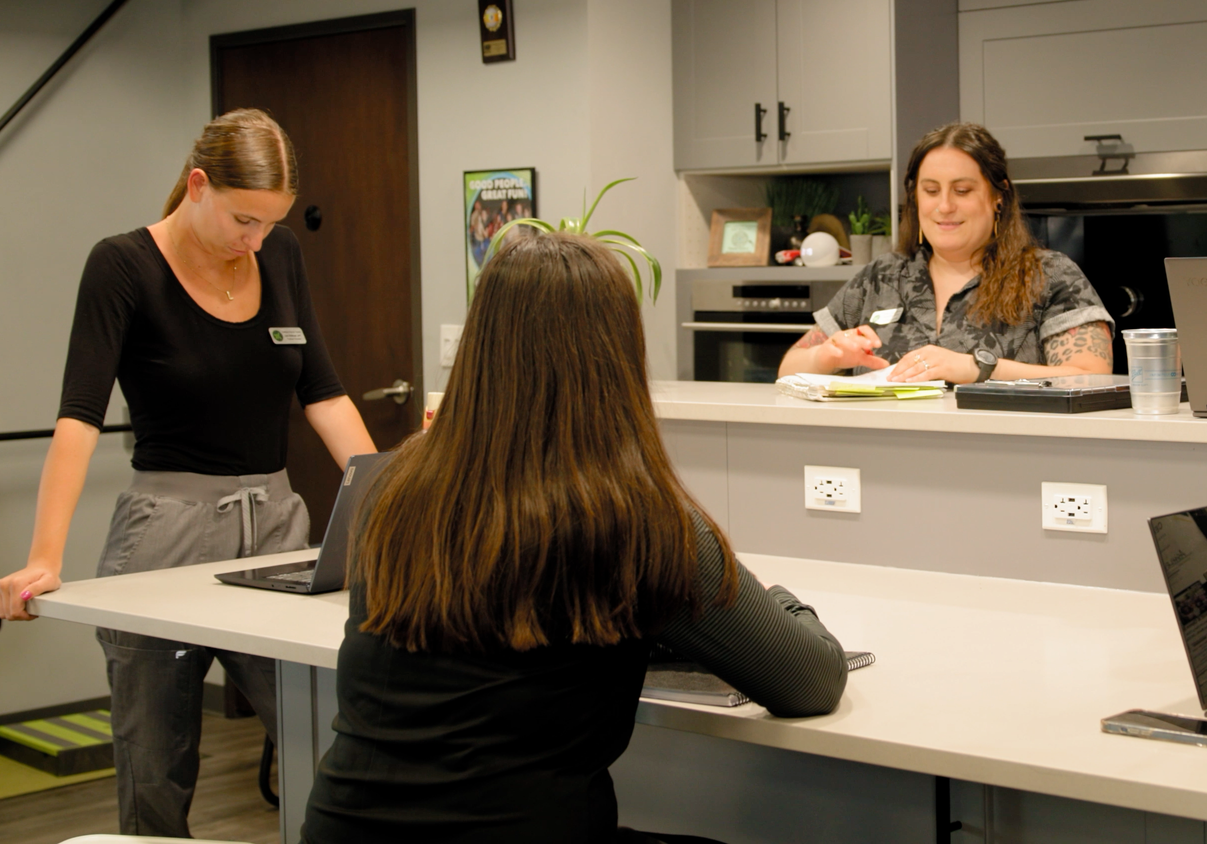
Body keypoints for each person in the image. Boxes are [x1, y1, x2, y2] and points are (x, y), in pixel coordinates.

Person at [301, 231, 848, 843]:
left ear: (481, 347)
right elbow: (811, 680)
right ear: (617, 360)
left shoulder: (392, 489)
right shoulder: (639, 520)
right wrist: (780, 600)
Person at [0, 109, 377, 835]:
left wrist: (389, 501)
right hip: (163, 538)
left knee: (332, 742)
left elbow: (323, 393)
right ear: (197, 185)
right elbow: (78, 416)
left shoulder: (282, 254)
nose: (256, 240)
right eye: (243, 220)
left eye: (270, 223)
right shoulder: (122, 265)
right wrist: (45, 555)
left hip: (279, 531)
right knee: (156, 776)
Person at [779, 122, 1114, 383]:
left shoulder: (1048, 275)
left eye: (962, 190)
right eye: (931, 190)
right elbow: (788, 370)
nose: (944, 206)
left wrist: (977, 368)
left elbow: (1094, 379)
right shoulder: (882, 277)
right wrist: (828, 357)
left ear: (998, 196)